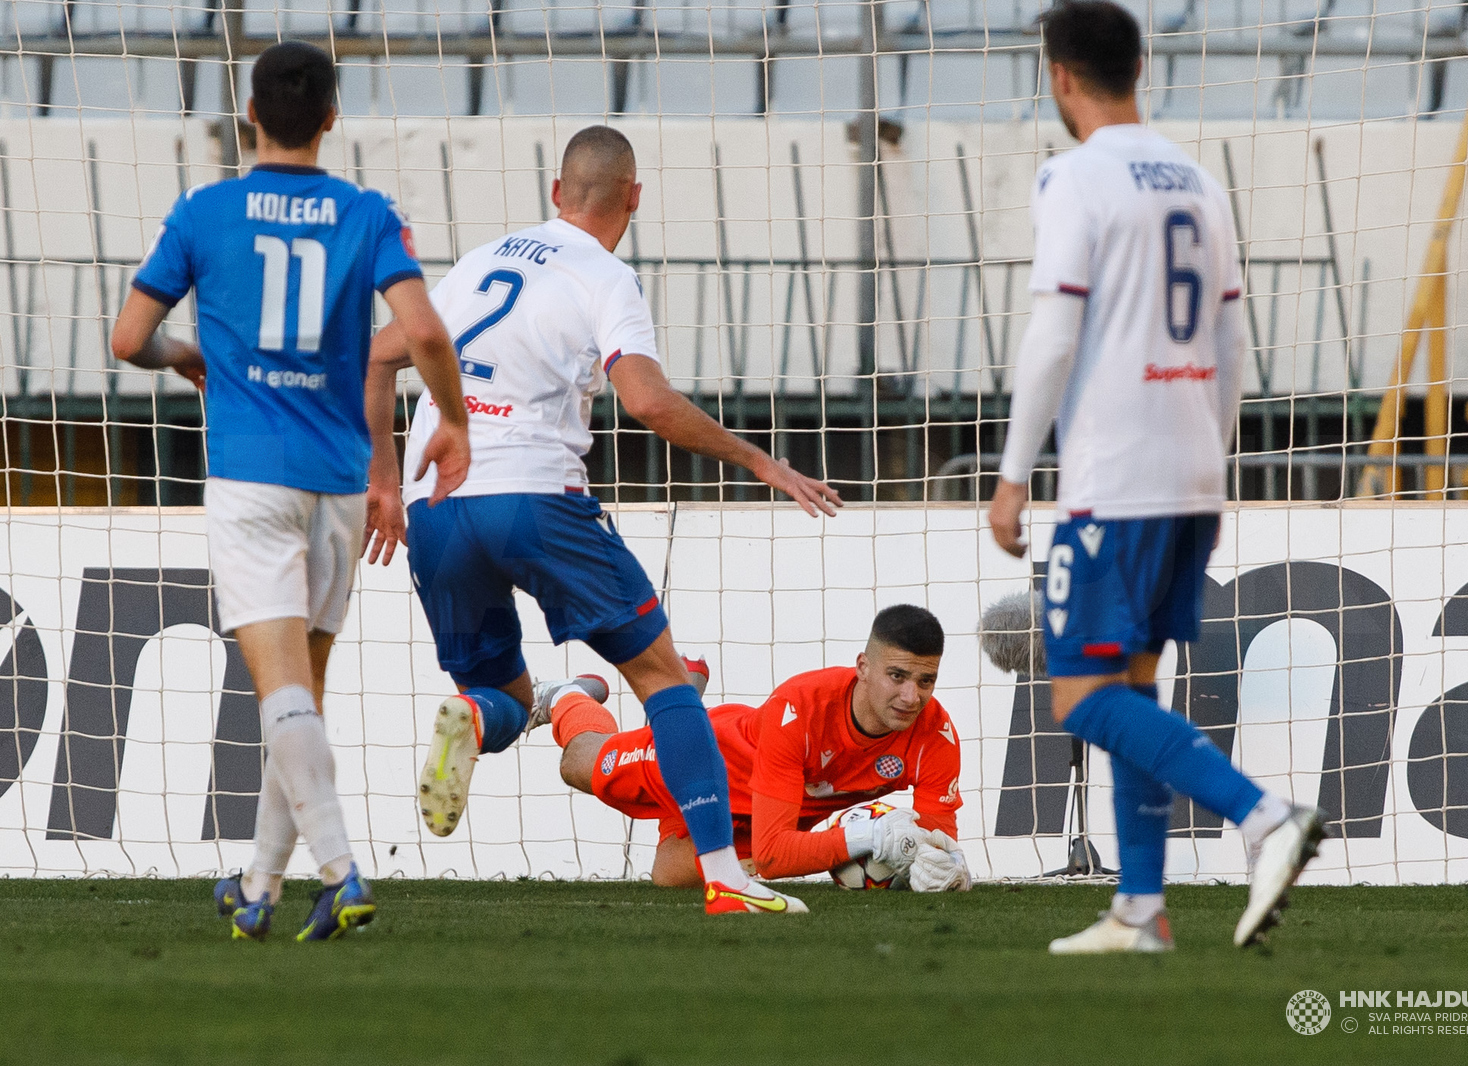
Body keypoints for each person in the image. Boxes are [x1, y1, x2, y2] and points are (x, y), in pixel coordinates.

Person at [363, 125, 843, 915]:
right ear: (634, 198)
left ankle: (476, 720)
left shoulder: (479, 261)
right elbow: (648, 402)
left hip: (434, 504)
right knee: (665, 680)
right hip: (533, 496)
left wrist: (384, 484)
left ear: (557, 193)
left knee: (503, 693)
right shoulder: (604, 275)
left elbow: (379, 358)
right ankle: (725, 875)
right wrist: (761, 461)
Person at [110, 40, 472, 941]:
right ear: (332, 119)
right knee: (303, 692)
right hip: (339, 483)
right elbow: (423, 329)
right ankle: (261, 887)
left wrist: (184, 353)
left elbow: (127, 339)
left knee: (280, 695)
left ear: (249, 120)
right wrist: (453, 419)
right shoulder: (367, 212)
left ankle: (344, 872)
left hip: (249, 480)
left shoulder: (203, 211)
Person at [987, 1, 1323, 954]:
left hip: (1119, 473)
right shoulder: (1197, 180)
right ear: (1141, 66)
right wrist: (1210, 459)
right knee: (1132, 686)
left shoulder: (1075, 176)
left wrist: (1014, 476)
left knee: (1082, 698)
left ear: (1058, 76)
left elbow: (1054, 328)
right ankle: (1140, 908)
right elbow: (1231, 339)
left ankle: (1264, 818)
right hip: (1191, 468)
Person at [543, 605, 970, 892]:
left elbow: (935, 842)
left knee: (669, 878)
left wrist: (947, 869)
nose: (912, 697)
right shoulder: (801, 708)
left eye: (925, 681)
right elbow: (773, 856)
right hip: (712, 764)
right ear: (862, 667)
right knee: (580, 765)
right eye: (897, 677)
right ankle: (567, 698)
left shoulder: (937, 736)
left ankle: (683, 695)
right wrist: (867, 837)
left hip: (774, 810)